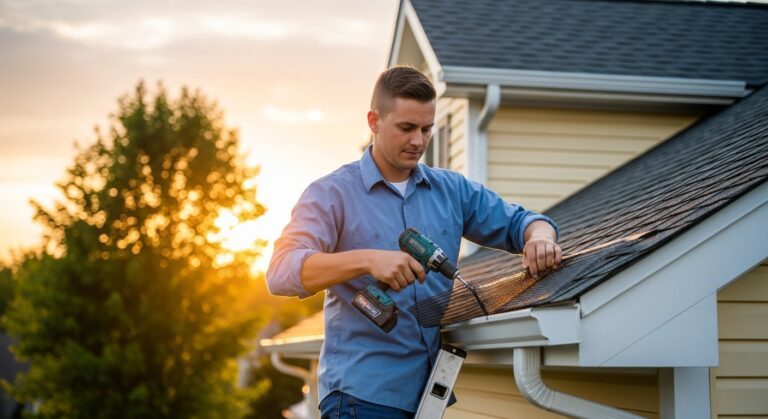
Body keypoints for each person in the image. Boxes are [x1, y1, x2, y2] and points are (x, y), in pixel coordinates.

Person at [266, 66, 561, 418]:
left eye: (427, 129)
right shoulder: (331, 194)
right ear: (374, 121)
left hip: (428, 399)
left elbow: (524, 222)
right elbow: (281, 272)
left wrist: (540, 239)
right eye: (406, 128)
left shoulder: (452, 191)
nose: (418, 141)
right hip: (362, 398)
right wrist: (368, 260)